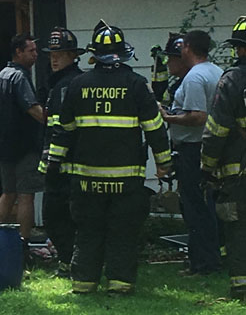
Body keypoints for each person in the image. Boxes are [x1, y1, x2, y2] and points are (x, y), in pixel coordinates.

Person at [48, 20, 171, 295]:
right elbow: (154, 129)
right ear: (123, 53)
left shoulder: (77, 85)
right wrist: (164, 163)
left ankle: (83, 283)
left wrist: (54, 166)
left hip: (86, 180)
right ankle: (119, 284)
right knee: (122, 232)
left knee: (88, 232)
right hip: (126, 181)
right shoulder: (137, 85)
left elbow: (63, 132)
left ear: (94, 55)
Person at [159, 31, 222, 275]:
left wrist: (168, 116)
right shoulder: (215, 71)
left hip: (193, 150)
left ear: (187, 48)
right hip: (212, 149)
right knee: (208, 207)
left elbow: (198, 116)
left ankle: (203, 264)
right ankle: (213, 257)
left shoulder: (195, 78)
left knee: (195, 208)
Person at [201, 16, 246, 301]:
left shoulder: (232, 80)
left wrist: (206, 167)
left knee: (238, 229)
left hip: (237, 174)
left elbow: (216, 130)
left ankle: (242, 288)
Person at [37, 27, 84, 278]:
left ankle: (71, 263)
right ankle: (69, 262)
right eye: (52, 54)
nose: (55, 58)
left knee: (57, 219)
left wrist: (52, 162)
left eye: (61, 54)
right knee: (60, 220)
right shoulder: (59, 84)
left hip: (65, 168)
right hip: (61, 165)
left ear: (73, 55)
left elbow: (63, 130)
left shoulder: (69, 85)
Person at [0, 34, 44, 246]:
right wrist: (52, 119)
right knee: (25, 196)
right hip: (25, 147)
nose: (36, 55)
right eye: (31, 51)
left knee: (8, 192)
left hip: (5, 146)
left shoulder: (2, 75)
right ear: (18, 52)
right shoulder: (20, 77)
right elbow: (33, 109)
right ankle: (24, 243)